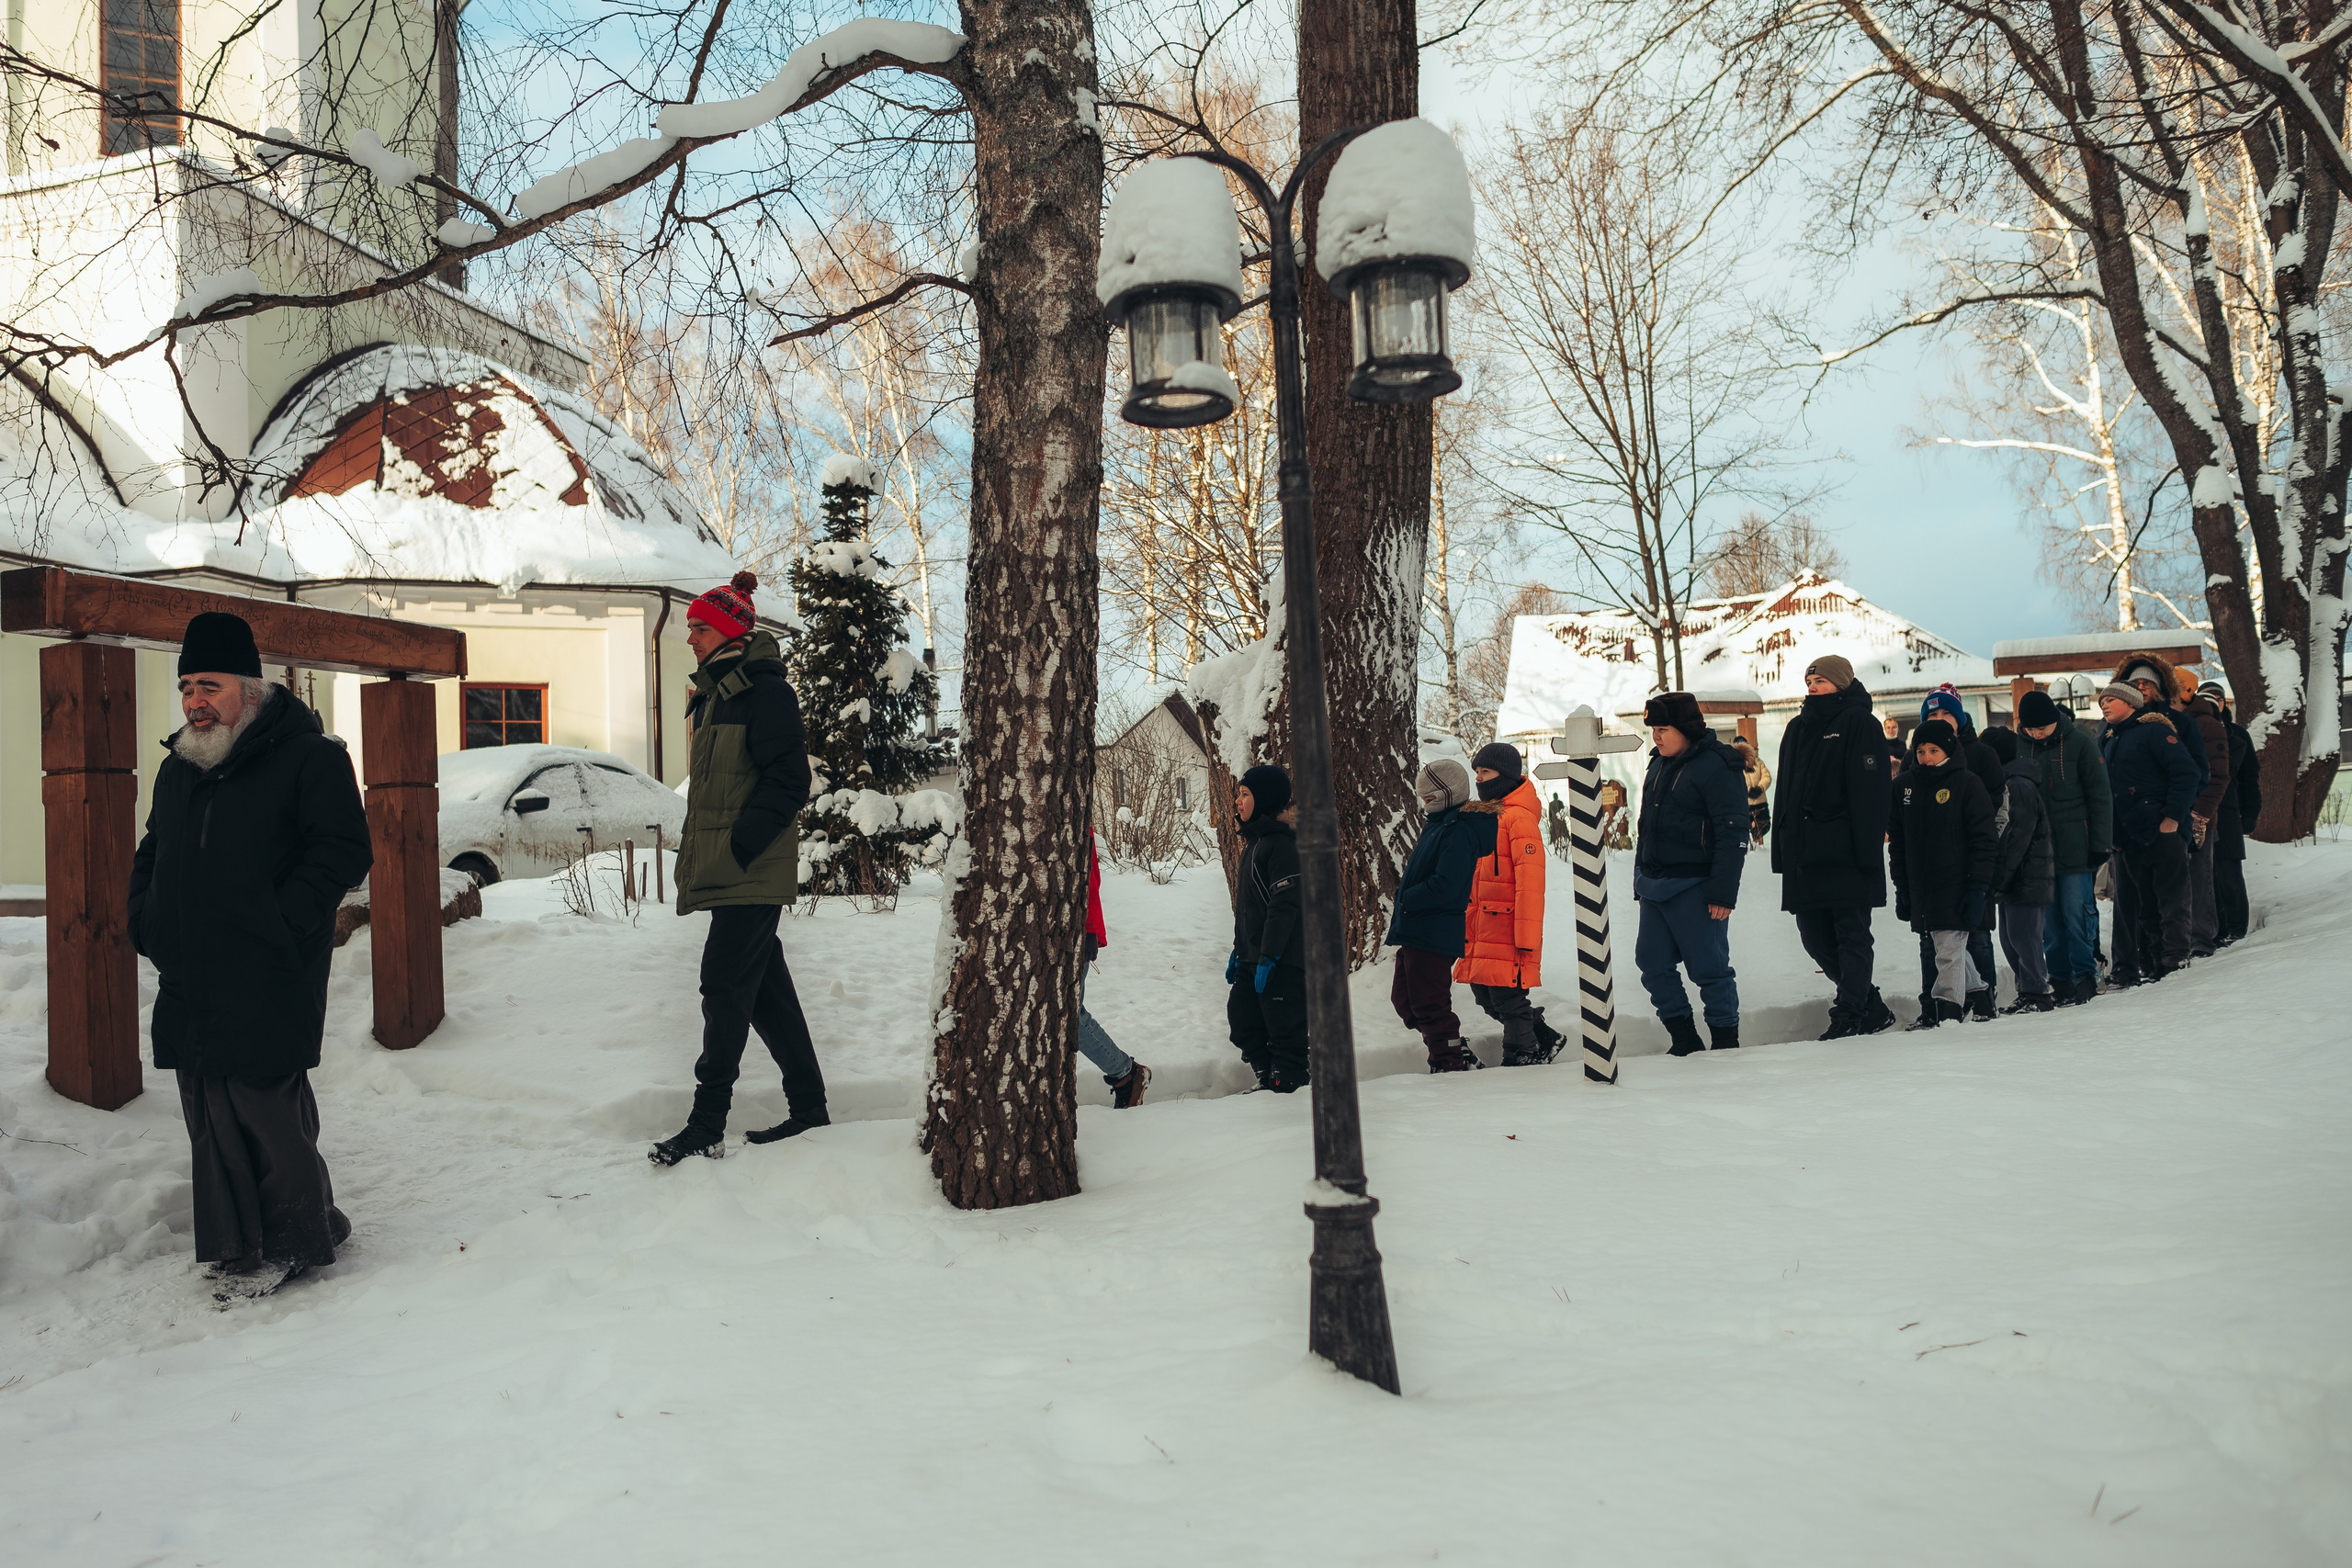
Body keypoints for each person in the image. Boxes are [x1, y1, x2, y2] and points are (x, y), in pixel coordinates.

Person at [129, 612, 372, 1299]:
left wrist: (282, 918)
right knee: (209, 1107)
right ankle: (248, 1242)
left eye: (210, 684)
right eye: (186, 687)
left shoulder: (309, 755)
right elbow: (154, 850)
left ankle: (293, 1241)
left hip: (269, 965)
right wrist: (143, 918)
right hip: (193, 968)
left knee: (264, 1105)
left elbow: (344, 851)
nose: (195, 701)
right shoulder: (181, 766)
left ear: (249, 687)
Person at [653, 571, 827, 1165]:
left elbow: (789, 781)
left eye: (698, 628)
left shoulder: (763, 692)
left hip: (749, 869)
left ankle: (706, 1124)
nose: (690, 639)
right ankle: (810, 1108)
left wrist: (738, 848)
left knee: (723, 983)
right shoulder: (717, 694)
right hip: (735, 868)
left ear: (728, 631)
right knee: (765, 991)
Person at [1773, 655, 1896, 1039]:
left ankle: (1850, 1014)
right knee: (1813, 935)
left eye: (1821, 680)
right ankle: (1869, 1006)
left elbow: (1870, 793)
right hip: (1805, 855)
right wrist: (1782, 850)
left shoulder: (1860, 723)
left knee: (1852, 935)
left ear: (1841, 683)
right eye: (1810, 680)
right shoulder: (1797, 728)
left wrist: (1866, 852)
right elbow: (1785, 795)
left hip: (1847, 853)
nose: (1813, 686)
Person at [1632, 694, 1748, 1055]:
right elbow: (1646, 823)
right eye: (1653, 729)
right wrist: (1639, 872)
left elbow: (1733, 831)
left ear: (1685, 728)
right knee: (1651, 963)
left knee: (1709, 969)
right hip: (1654, 885)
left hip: (1696, 886)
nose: (1656, 736)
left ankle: (1726, 1042)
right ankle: (1684, 1039)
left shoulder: (1717, 765)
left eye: (1663, 729)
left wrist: (1722, 893)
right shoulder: (1657, 764)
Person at [1454, 742, 1567, 1067]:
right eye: (1476, 771)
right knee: (1485, 996)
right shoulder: (1486, 816)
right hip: (1481, 926)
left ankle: (1522, 1054)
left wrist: (1526, 940)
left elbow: (1531, 886)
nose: (1479, 778)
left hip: (1507, 929)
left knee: (1509, 998)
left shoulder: (1518, 820)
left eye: (1485, 772)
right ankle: (1545, 1037)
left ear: (1504, 775)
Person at [1386, 759, 1498, 1072]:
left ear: (1448, 792)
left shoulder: (1458, 829)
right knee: (1405, 1001)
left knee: (1429, 1003)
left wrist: (1408, 897)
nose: (1425, 802)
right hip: (1416, 927)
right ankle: (1451, 1047)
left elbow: (1447, 885)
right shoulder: (1437, 824)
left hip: (1434, 929)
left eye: (1430, 796)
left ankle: (1448, 1060)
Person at [1887, 719, 1997, 1029]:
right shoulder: (1904, 786)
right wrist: (1902, 887)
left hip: (1958, 881)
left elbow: (1984, 840)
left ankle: (1947, 1011)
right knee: (1946, 946)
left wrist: (1978, 887)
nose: (1926, 757)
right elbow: (1897, 840)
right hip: (1922, 883)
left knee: (1948, 949)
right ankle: (1979, 996)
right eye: (1920, 751)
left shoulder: (1967, 783)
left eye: (1933, 750)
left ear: (1948, 750)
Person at [2097, 681, 2201, 986]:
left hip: (2162, 831)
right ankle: (2157, 961)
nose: (2104, 705)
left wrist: (2172, 818)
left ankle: (2175, 961)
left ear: (2131, 702)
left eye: (2111, 699)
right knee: (2146, 905)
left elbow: (2188, 773)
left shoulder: (2154, 731)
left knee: (2171, 900)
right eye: (2102, 701)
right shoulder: (2109, 737)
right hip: (2128, 837)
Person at [2016, 688, 2111, 1006]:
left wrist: (2100, 844)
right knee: (2049, 923)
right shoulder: (2020, 747)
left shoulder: (2080, 743)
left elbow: (2100, 796)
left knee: (2077, 914)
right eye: (2030, 729)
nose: (2036, 733)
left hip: (2076, 847)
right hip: (2036, 852)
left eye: (2041, 727)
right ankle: (2059, 978)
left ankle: (2086, 974)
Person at [1917, 684, 2003, 1018]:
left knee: (1976, 936)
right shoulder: (1919, 756)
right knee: (1933, 943)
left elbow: (1998, 807)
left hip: (1973, 862)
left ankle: (1983, 1002)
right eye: (1933, 714)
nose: (1940, 719)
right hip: (1931, 869)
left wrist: (1986, 855)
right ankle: (1933, 1007)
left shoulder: (1981, 754)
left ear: (1960, 717)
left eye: (1946, 713)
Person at [1227, 763, 1309, 1091]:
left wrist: (1271, 956)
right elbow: (1249, 908)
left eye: (1244, 794)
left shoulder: (1282, 846)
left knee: (1283, 1023)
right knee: (1242, 1018)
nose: (1237, 800)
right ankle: (1266, 1072)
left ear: (1264, 799)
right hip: (1253, 954)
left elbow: (1284, 906)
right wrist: (1239, 950)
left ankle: (1289, 1078)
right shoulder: (1254, 843)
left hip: (1280, 957)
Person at [1982, 728, 2056, 1011]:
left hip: (2026, 874)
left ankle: (2038, 992)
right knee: (2011, 937)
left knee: (2024, 936)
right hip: (2016, 875)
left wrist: (2000, 876)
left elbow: (2016, 838)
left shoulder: (2018, 785)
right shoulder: (2007, 781)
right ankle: (2028, 990)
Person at [1080, 832, 1152, 1106]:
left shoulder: (1072, 819)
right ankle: (1125, 1074)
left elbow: (1088, 879)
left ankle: (1126, 1074)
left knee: (1070, 1015)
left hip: (1075, 932)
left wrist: (1088, 929)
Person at [2167, 668, 2233, 957]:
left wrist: (2201, 815)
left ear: (2185, 692)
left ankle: (2202, 940)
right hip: (2173, 813)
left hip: (2199, 816)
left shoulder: (2207, 724)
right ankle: (2183, 940)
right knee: (2177, 881)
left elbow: (2218, 775)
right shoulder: (2166, 722)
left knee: (2199, 878)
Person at [2204, 682, 2260, 943]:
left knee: (2229, 873)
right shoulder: (2191, 731)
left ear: (2224, 703)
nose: (2213, 703)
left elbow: (2250, 779)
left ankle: (2237, 928)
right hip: (2201, 810)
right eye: (2207, 699)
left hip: (2229, 811)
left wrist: (2250, 814)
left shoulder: (2238, 735)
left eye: (2217, 698)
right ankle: (2217, 928)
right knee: (2207, 874)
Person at [1730, 733, 1773, 845]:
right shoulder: (1734, 763)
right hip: (1744, 804)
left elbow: (1766, 776)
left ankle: (1759, 850)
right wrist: (1748, 790)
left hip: (1760, 803)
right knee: (1746, 834)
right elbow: (1734, 781)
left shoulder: (1757, 761)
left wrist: (1760, 788)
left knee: (1762, 828)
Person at [1545, 793, 1573, 863]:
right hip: (1560, 821)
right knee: (1565, 832)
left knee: (1554, 834)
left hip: (1554, 822)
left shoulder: (1551, 804)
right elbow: (1562, 812)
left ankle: (1553, 843)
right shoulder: (1560, 802)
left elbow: (1550, 814)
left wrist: (1551, 821)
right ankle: (1569, 840)